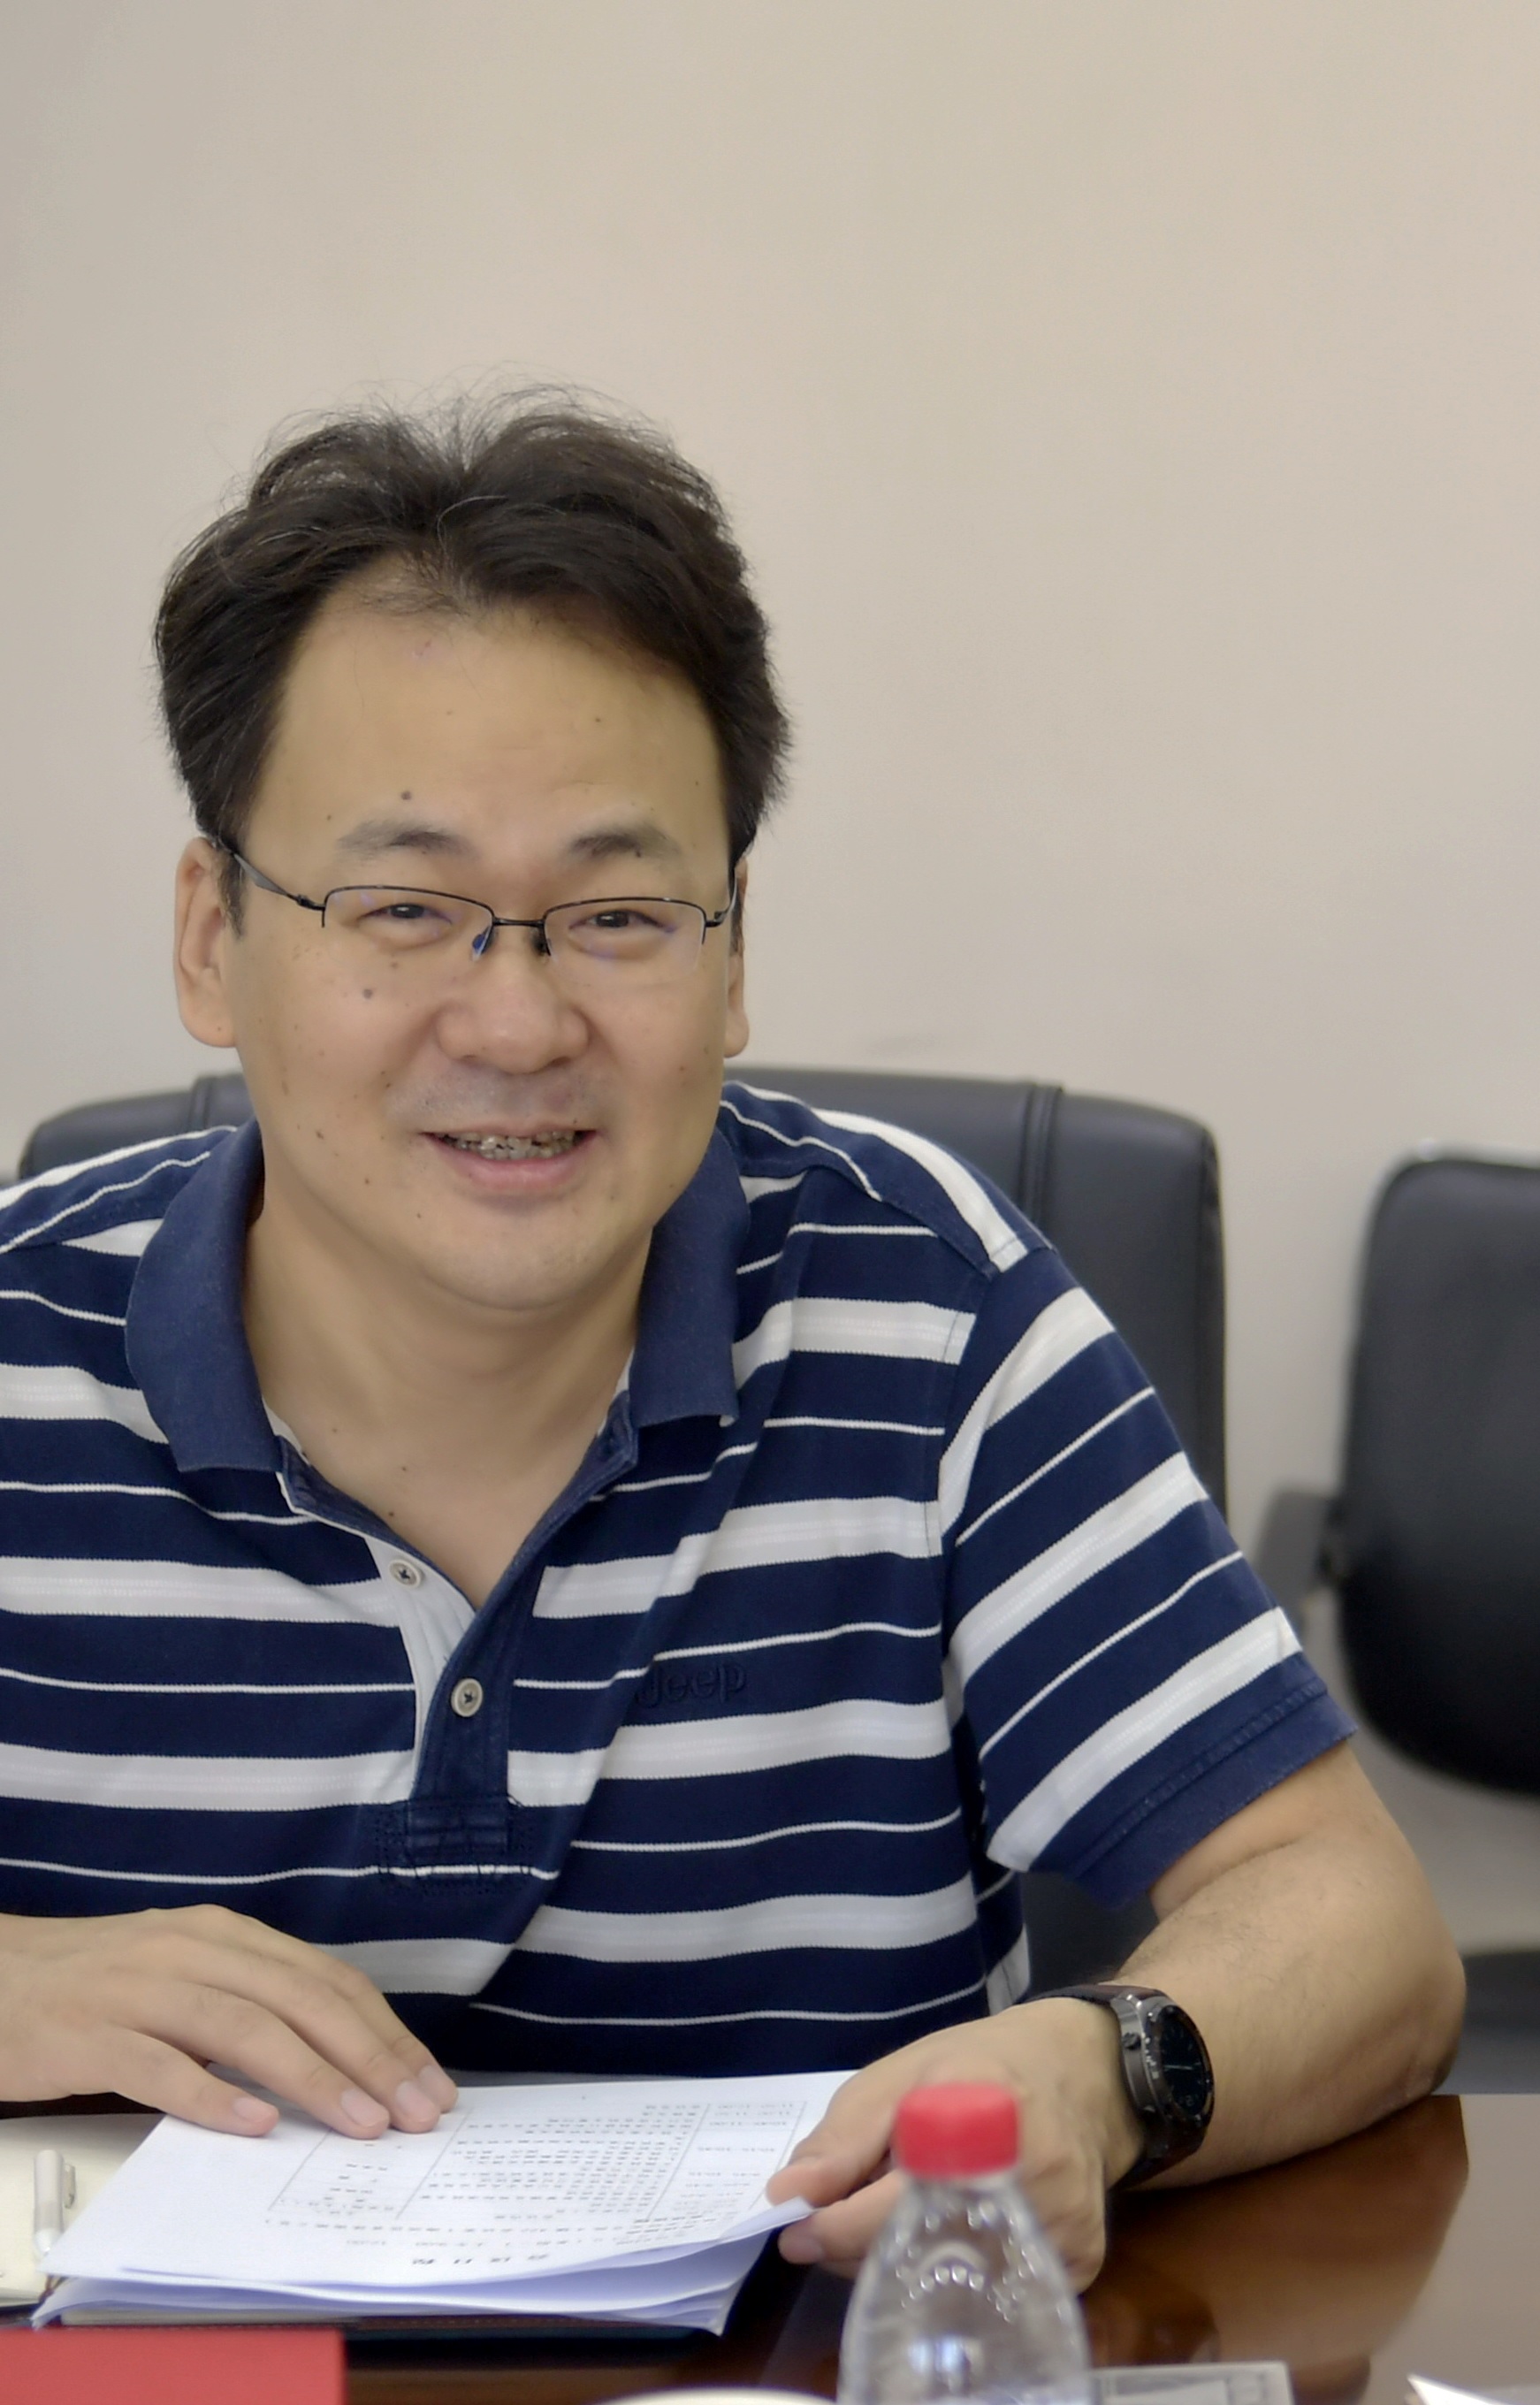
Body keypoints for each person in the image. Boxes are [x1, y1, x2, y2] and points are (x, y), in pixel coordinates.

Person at [0, 394, 1463, 2273]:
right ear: (214, 936)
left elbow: (1356, 1923)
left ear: (734, 947)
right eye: (407, 906)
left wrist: (1109, 2068)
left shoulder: (924, 1304)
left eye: (617, 914)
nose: (516, 1024)